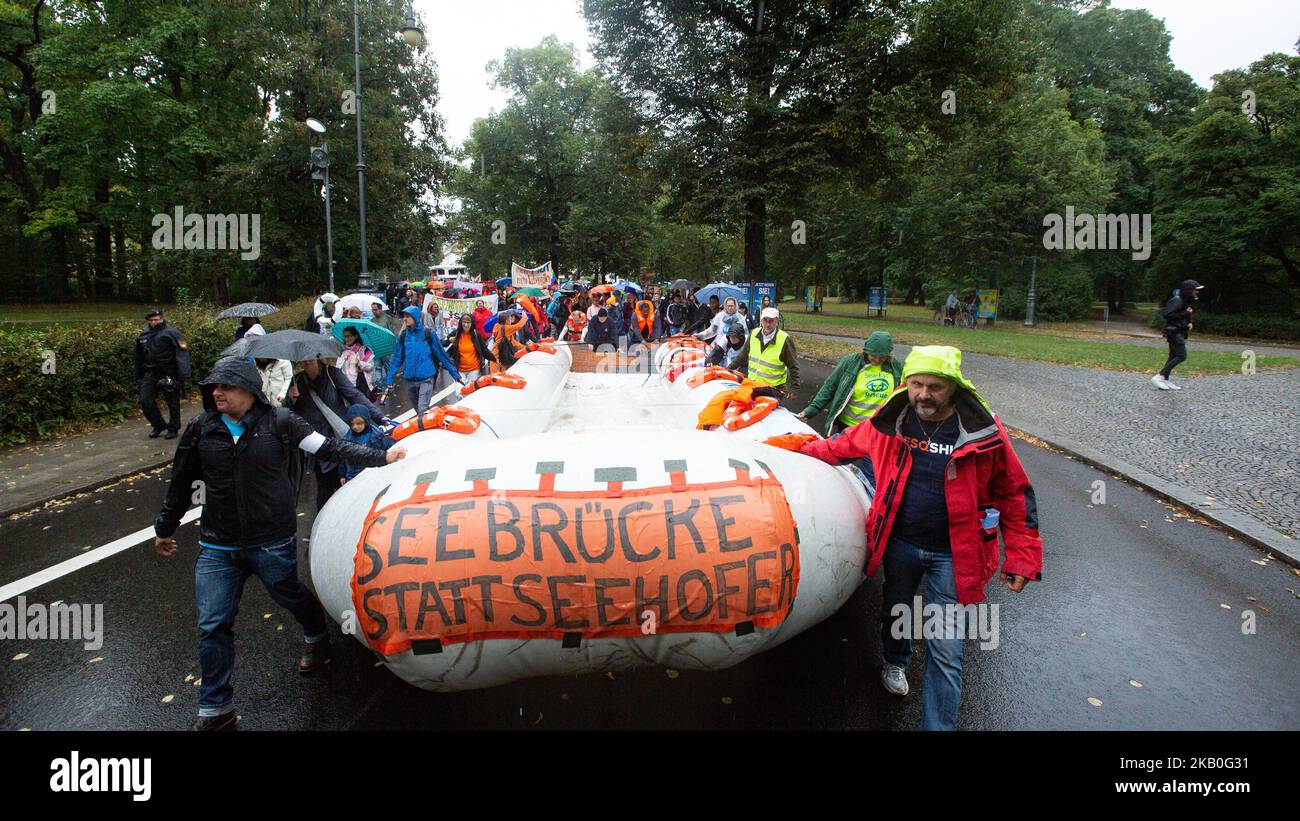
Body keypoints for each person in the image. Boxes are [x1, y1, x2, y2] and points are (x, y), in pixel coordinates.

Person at [153, 356, 405, 730]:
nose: (217, 394)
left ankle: (316, 633)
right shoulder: (201, 429)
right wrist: (165, 527)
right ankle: (215, 708)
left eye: (226, 387)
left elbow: (330, 448)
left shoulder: (282, 422)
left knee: (289, 593)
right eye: (213, 389)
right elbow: (181, 481)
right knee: (213, 624)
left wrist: (382, 456)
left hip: (270, 540)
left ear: (250, 390)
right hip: (218, 546)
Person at [797, 345, 1042, 731]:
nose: (924, 395)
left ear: (954, 388)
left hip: (956, 556)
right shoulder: (891, 421)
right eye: (916, 385)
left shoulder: (982, 431)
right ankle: (895, 661)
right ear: (906, 384)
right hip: (901, 544)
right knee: (897, 609)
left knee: (946, 650)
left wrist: (1023, 558)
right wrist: (795, 451)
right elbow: (843, 446)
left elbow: (1015, 492)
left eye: (935, 387)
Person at [288, 358, 387, 511]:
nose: (306, 362)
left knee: (348, 483)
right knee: (324, 488)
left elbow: (354, 395)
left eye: (310, 359)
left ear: (317, 357)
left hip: (340, 438)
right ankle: (323, 529)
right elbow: (292, 415)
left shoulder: (331, 374)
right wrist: (291, 400)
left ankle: (358, 517)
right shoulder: (297, 381)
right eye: (303, 361)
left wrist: (379, 417)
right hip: (318, 443)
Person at [798, 331, 902, 436]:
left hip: (877, 429)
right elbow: (830, 386)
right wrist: (812, 409)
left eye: (882, 357)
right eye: (873, 355)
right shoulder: (851, 362)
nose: (877, 360)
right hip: (849, 427)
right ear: (866, 351)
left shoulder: (895, 367)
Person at [386, 306, 462, 413]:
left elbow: (441, 355)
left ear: (415, 317)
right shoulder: (403, 336)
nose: (404, 319)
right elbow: (397, 359)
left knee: (422, 409)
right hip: (409, 380)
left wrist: (455, 374)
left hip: (426, 378)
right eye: (404, 316)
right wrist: (389, 378)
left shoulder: (428, 334)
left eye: (408, 316)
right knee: (419, 412)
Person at [135, 308, 190, 439]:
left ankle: (173, 427)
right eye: (152, 320)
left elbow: (182, 353)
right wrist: (139, 375)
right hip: (151, 372)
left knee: (172, 402)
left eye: (157, 319)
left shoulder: (172, 333)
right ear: (148, 321)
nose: (154, 322)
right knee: (145, 401)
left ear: (162, 318)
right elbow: (138, 356)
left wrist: (183, 374)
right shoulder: (143, 335)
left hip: (169, 372)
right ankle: (158, 425)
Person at [730, 307, 799, 398]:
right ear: (761, 321)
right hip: (753, 385)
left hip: (774, 389)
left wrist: (794, 388)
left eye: (771, 321)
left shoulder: (784, 339)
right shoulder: (754, 333)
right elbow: (743, 356)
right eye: (765, 320)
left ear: (777, 322)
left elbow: (793, 365)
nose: (767, 324)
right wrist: (729, 369)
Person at [1153, 279, 1204, 391]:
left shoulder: (1185, 301)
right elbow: (1167, 314)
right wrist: (1186, 313)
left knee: (1172, 356)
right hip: (1174, 332)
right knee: (1181, 356)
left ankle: (1165, 379)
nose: (1197, 292)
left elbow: (1180, 316)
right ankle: (1159, 377)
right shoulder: (1177, 300)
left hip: (1178, 331)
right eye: (1196, 290)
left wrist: (1188, 323)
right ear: (1189, 290)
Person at [338, 403, 394, 484]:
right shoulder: (347, 439)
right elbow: (343, 459)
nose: (355, 427)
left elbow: (387, 447)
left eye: (358, 423)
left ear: (366, 422)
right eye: (352, 424)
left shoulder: (376, 435)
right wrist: (342, 475)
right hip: (355, 476)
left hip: (375, 472)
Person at [242, 325, 293, 407]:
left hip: (282, 403)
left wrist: (283, 394)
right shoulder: (255, 362)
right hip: (266, 405)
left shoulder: (282, 359)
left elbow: (289, 378)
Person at [446, 312, 495, 379]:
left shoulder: (476, 334)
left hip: (474, 370)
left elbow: (484, 351)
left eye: (468, 322)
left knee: (471, 389)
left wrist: (495, 359)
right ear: (461, 323)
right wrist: (449, 339)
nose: (466, 325)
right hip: (459, 370)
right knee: (460, 389)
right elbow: (444, 343)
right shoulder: (456, 333)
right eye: (464, 322)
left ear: (472, 323)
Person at [337, 325, 376, 396]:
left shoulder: (364, 350)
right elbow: (340, 369)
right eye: (345, 336)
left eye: (349, 336)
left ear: (355, 336)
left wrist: (359, 363)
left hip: (362, 386)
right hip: (347, 387)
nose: (346, 339)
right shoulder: (343, 352)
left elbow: (371, 367)